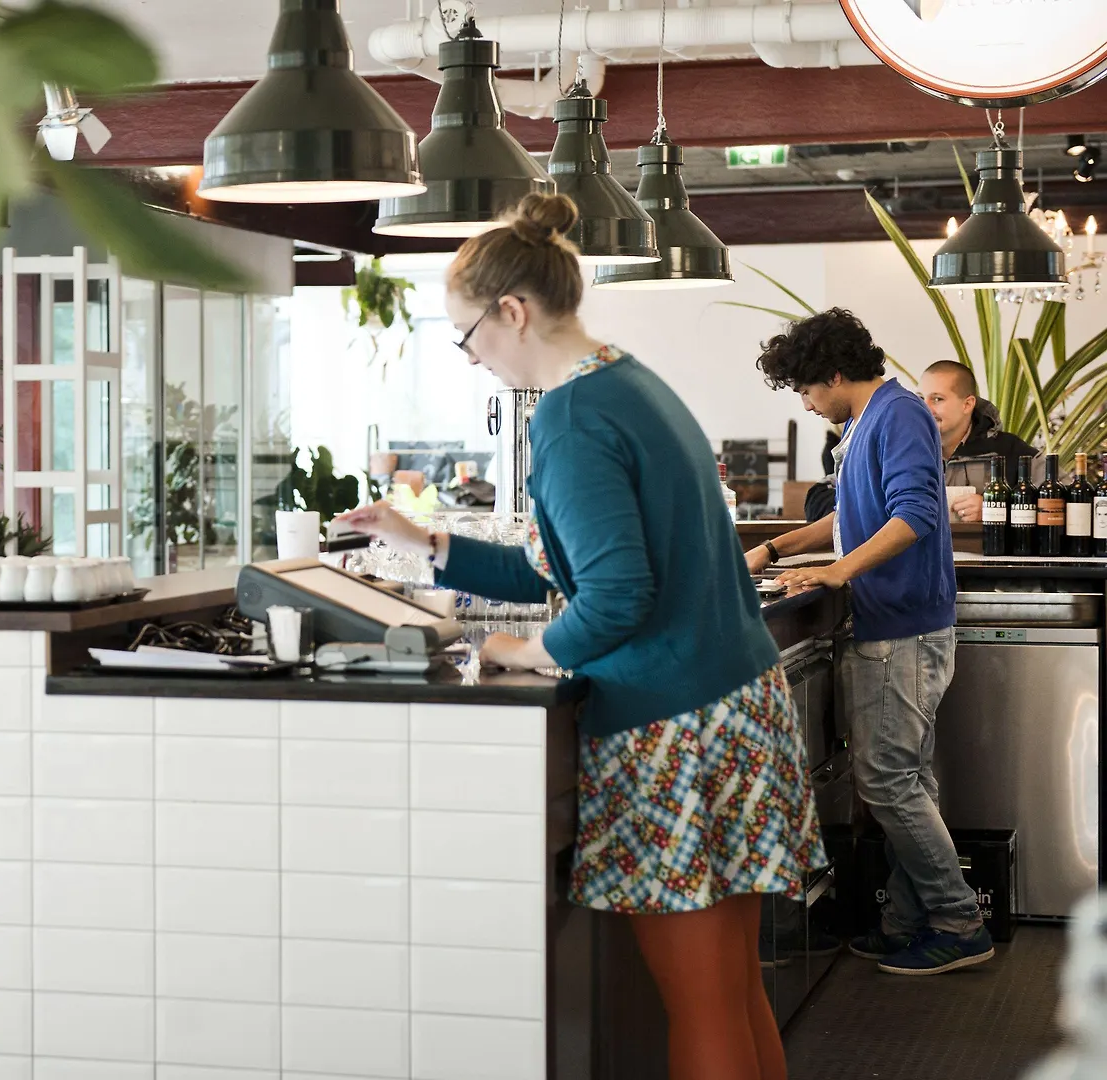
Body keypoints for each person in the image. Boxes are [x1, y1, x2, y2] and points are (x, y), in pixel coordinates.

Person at [338, 193, 823, 1080]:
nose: (472, 358)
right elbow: (558, 566)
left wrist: (526, 653)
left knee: (701, 1003)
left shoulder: (568, 418)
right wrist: (425, 543)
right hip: (733, 708)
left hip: (673, 727)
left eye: (467, 336)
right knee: (731, 991)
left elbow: (614, 597)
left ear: (512, 311)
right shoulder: (627, 382)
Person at [745, 309, 992, 976]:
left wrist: (837, 572)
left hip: (902, 628)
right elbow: (846, 515)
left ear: (833, 374)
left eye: (805, 389)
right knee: (907, 781)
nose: (805, 404)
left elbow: (915, 513)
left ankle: (960, 923)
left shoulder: (898, 414)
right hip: (896, 626)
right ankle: (908, 921)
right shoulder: (867, 423)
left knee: (887, 783)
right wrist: (771, 548)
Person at [920, 359, 1038, 521]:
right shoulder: (903, 451)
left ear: (967, 404)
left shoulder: (1011, 451)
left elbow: (1060, 504)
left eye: (937, 399)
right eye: (921, 398)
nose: (924, 407)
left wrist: (994, 509)